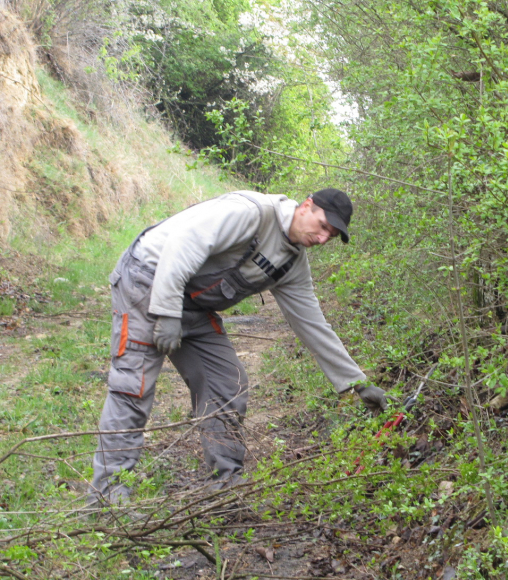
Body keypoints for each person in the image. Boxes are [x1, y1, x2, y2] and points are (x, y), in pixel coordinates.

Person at [89, 189, 387, 505]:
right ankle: (106, 502)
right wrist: (165, 311)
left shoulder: (292, 263)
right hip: (146, 280)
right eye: (324, 225)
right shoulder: (252, 213)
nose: (324, 238)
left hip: (193, 304)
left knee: (227, 383)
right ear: (307, 206)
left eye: (332, 234)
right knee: (132, 389)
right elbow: (183, 242)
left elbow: (312, 325)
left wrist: (356, 383)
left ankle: (223, 486)